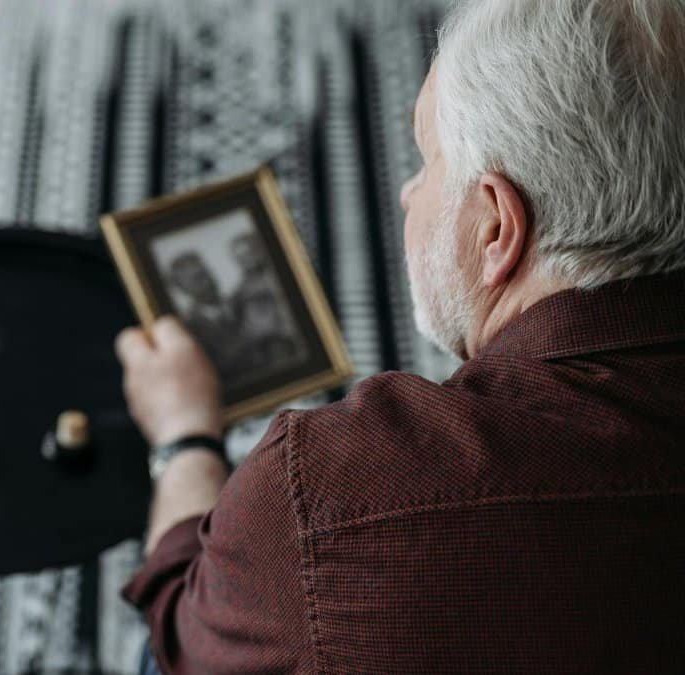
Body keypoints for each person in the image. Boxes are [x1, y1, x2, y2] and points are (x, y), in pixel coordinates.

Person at [115, 1, 685, 672]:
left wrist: (185, 437)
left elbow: (181, 637)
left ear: (497, 228)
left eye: (426, 158)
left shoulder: (326, 489)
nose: (408, 193)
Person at [228, 232, 302, 370]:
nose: (247, 259)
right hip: (276, 346)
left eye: (250, 252)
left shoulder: (291, 271)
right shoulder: (240, 295)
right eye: (240, 257)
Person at [164, 252, 241, 378]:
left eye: (207, 273)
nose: (208, 281)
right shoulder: (188, 329)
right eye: (198, 278)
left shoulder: (241, 300)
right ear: (183, 289)